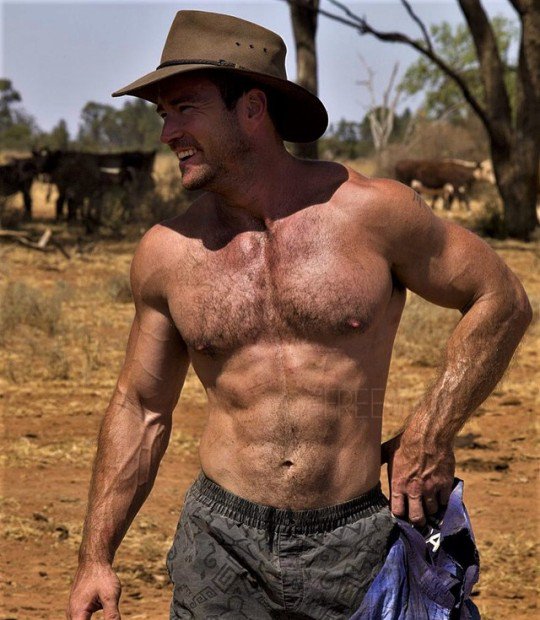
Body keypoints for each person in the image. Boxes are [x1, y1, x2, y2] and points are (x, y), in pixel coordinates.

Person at [66, 10, 532, 620]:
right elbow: (142, 407)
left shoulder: (372, 215)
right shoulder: (166, 252)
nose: (167, 133)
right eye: (162, 115)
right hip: (221, 546)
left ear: (251, 109)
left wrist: (431, 428)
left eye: (185, 109)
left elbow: (502, 299)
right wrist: (95, 558)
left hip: (356, 537)